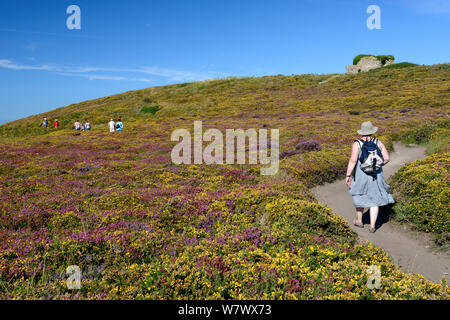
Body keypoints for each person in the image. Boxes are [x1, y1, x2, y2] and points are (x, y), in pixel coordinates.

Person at [345, 121, 394, 233]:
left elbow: (353, 160)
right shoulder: (378, 142)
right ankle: (372, 226)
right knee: (375, 200)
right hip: (376, 175)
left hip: (361, 175)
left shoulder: (357, 143)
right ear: (372, 131)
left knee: (360, 195)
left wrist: (348, 175)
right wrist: (376, 166)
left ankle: (359, 221)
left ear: (362, 131)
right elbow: (386, 158)